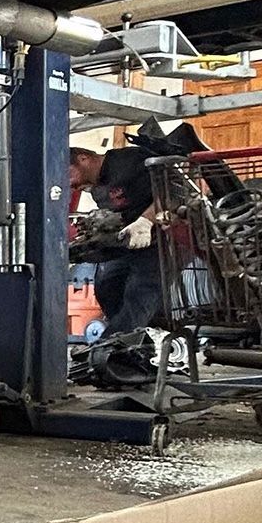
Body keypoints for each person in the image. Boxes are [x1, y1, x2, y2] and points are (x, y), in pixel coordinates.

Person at [70, 139, 162, 369]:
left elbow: (171, 190)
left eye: (67, 174)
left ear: (83, 158)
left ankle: (107, 348)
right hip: (131, 245)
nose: (70, 184)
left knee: (140, 291)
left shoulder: (130, 162)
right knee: (106, 285)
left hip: (164, 239)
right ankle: (136, 350)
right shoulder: (98, 190)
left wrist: (146, 221)